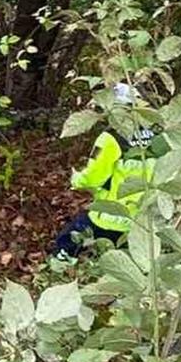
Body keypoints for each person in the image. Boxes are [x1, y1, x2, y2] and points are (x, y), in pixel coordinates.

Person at [53, 84, 158, 256]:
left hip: (109, 216)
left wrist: (76, 179)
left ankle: (57, 270)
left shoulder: (111, 138)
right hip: (144, 221)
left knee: (66, 242)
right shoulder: (157, 136)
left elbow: (94, 178)